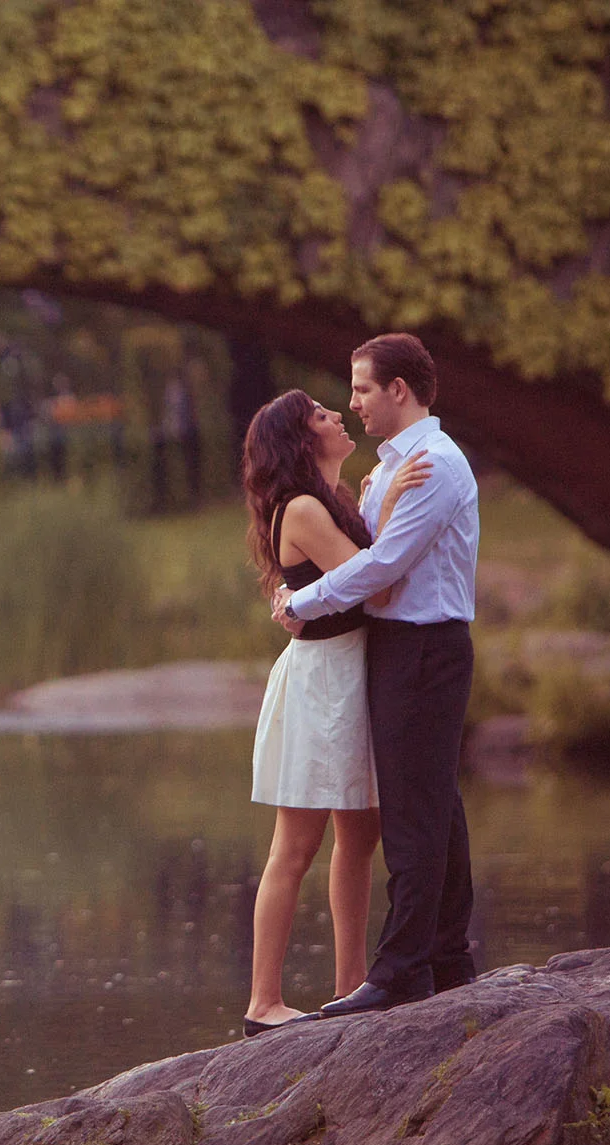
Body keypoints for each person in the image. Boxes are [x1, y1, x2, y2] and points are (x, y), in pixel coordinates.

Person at [275, 333, 481, 1017]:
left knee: (415, 813)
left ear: (399, 390)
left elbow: (383, 566)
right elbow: (374, 546)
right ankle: (447, 958)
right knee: (433, 804)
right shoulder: (397, 465)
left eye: (362, 387)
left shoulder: (435, 464)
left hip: (424, 647)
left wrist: (296, 602)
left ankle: (401, 972)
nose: (353, 400)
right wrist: (374, 504)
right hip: (403, 648)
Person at [240, 389, 428, 1035]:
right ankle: (263, 1004)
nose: (338, 416)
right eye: (321, 414)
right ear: (300, 439)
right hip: (324, 683)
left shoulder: (332, 499)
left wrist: (379, 495)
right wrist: (399, 499)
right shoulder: (301, 508)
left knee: (360, 837)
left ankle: (351, 985)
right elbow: (369, 580)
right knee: (296, 845)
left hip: (350, 674)